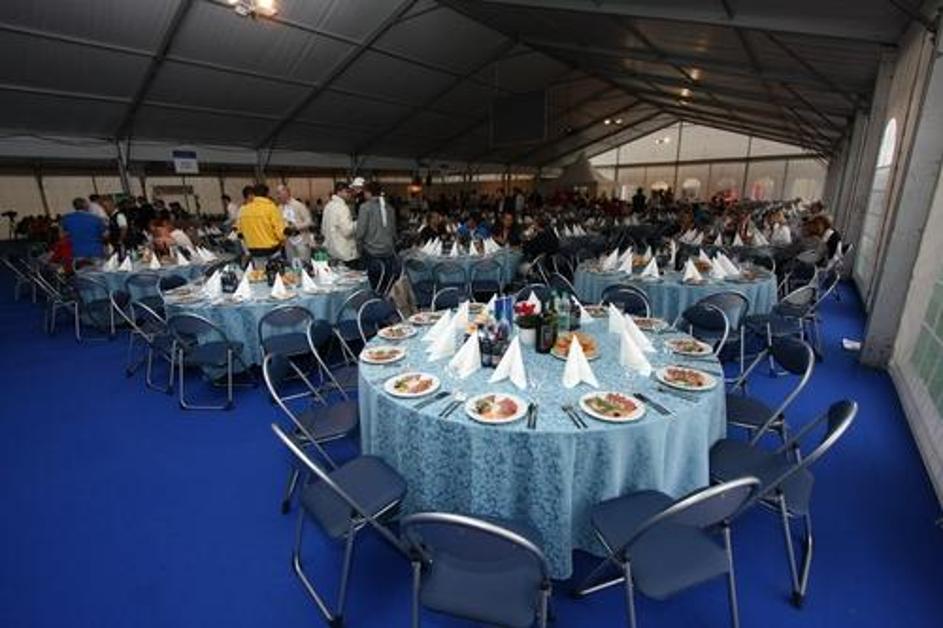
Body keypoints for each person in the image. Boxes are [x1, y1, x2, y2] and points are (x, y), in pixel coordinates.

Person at [236, 183, 285, 258]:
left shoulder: (244, 210)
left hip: (252, 249)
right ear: (267, 194)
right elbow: (280, 232)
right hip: (270, 249)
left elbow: (239, 230)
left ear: (254, 194)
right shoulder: (271, 208)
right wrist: (283, 239)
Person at [355, 181, 396, 264]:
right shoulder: (389, 208)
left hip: (371, 251)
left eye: (364, 192)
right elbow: (393, 231)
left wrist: (358, 249)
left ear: (368, 193)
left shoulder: (365, 208)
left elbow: (360, 232)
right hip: (388, 250)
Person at [321, 181, 359, 264]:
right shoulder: (342, 207)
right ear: (339, 192)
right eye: (346, 192)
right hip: (344, 252)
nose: (349, 194)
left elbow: (323, 229)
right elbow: (347, 231)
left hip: (331, 250)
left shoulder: (328, 206)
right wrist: (358, 223)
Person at [276, 184, 313, 263]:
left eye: (279, 193)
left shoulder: (298, 205)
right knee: (291, 263)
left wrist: (296, 227)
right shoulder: (279, 208)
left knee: (304, 263)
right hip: (288, 242)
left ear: (287, 192)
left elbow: (309, 221)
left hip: (301, 240)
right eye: (277, 193)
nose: (278, 196)